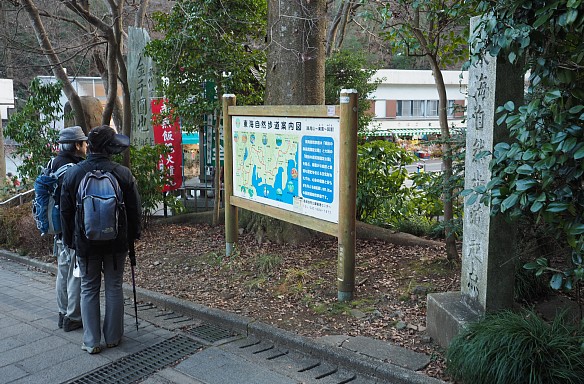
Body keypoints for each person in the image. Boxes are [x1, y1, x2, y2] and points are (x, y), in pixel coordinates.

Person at [60, 125, 142, 354]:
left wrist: (70, 240)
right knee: (114, 286)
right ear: (110, 148)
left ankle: (91, 341)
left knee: (88, 288)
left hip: (85, 243)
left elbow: (66, 211)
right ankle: (113, 337)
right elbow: (135, 209)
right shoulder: (122, 173)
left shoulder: (74, 173)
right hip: (117, 242)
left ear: (90, 146)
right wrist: (133, 236)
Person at [52, 126, 88, 332]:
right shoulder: (74, 169)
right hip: (72, 228)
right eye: (83, 143)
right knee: (76, 273)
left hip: (58, 229)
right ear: (76, 145)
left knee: (63, 272)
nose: (85, 147)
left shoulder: (53, 163)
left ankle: (62, 312)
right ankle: (73, 317)